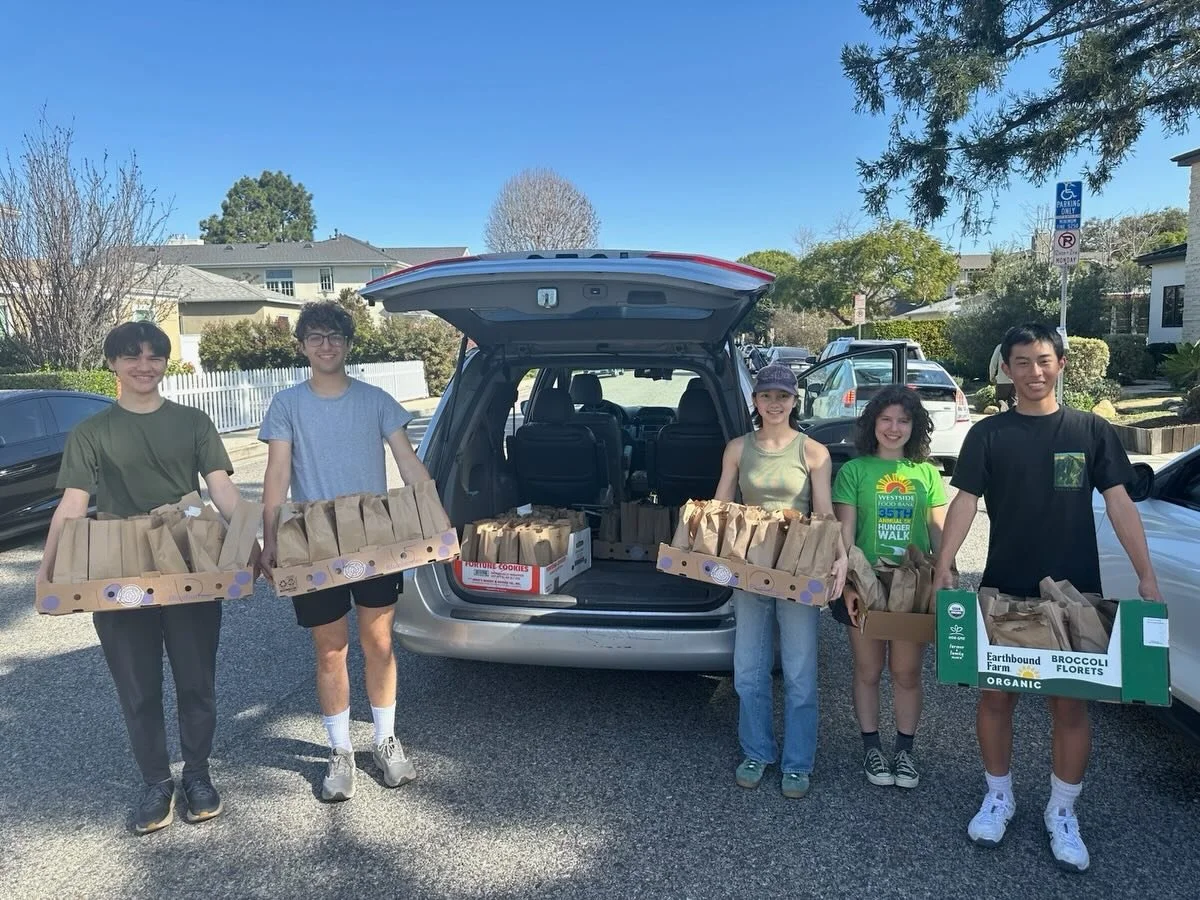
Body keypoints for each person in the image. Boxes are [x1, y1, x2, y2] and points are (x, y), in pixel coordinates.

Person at [933, 323, 1161, 873]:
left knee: (1069, 705)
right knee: (994, 698)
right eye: (1021, 362)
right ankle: (999, 796)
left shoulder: (1091, 431)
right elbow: (964, 502)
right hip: (1004, 585)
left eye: (1042, 360)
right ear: (1006, 370)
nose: (1033, 372)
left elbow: (1121, 504)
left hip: (1076, 592)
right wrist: (944, 562)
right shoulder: (988, 435)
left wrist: (1146, 576)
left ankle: (1062, 812)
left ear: (1060, 362)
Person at [36, 322, 245, 835]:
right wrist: (47, 574)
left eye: (154, 356)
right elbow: (74, 505)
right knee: (138, 686)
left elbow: (223, 491)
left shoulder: (193, 422)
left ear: (164, 363)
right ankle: (156, 782)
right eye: (132, 356)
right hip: (118, 569)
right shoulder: (92, 432)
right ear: (113, 363)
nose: (144, 365)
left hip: (190, 561)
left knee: (197, 680)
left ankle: (197, 775)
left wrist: (253, 547)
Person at [259, 300, 435, 803]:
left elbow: (408, 462)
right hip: (312, 543)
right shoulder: (287, 405)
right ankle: (340, 751)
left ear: (349, 344)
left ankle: (384, 739)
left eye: (335, 336)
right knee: (330, 649)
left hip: (374, 538)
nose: (326, 345)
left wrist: (436, 521)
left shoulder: (377, 400)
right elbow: (276, 476)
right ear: (302, 346)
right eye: (315, 337)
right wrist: (271, 540)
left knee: (379, 644)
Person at [713, 363, 847, 799]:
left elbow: (825, 512)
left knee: (800, 672)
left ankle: (798, 762)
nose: (774, 403)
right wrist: (704, 551)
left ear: (794, 401)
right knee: (748, 671)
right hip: (750, 568)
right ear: (755, 401)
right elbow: (721, 506)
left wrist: (840, 556)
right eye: (766, 396)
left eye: (783, 396)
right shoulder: (738, 447)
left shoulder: (813, 452)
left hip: (799, 569)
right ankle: (757, 751)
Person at [831, 385, 946, 790]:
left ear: (914, 427)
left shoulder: (927, 473)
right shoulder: (853, 471)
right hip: (865, 582)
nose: (894, 428)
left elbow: (936, 530)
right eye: (886, 419)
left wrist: (945, 573)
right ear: (872, 424)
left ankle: (904, 752)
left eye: (903, 420)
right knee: (868, 669)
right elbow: (844, 534)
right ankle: (871, 748)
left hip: (911, 585)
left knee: (907, 671)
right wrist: (846, 583)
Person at [988, 343, 1014, 411]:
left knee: (1000, 400)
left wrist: (992, 376)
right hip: (1015, 380)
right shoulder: (1019, 346)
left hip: (1002, 380)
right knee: (1013, 402)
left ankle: (1003, 411)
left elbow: (993, 363)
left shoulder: (1000, 347)